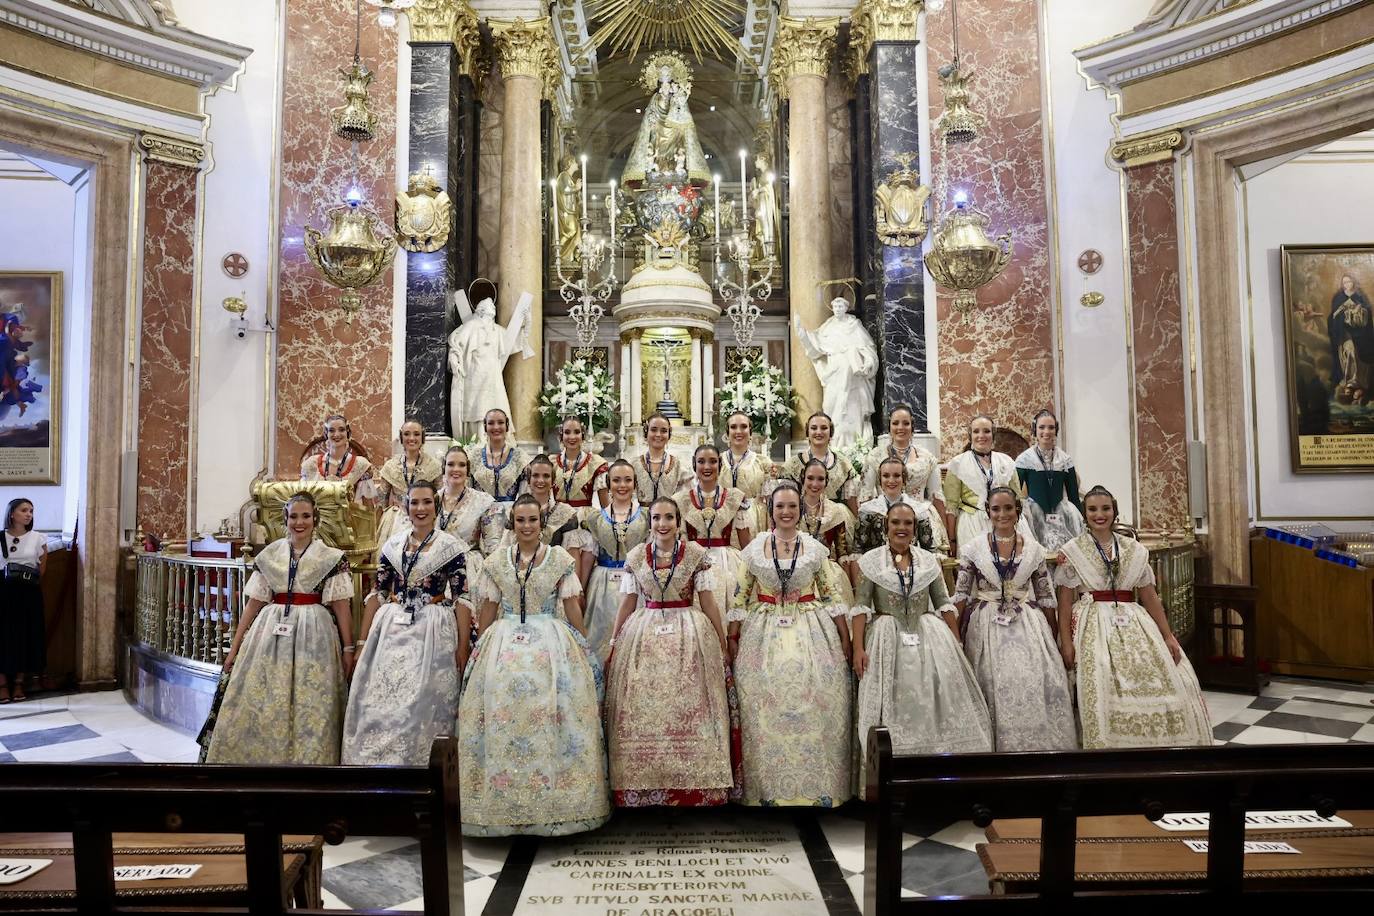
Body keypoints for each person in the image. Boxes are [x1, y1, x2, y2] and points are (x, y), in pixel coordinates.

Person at [459, 494, 609, 836]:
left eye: (533, 520)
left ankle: (558, 805)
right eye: (521, 520)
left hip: (550, 642)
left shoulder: (558, 560)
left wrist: (583, 648)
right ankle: (502, 804)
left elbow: (571, 607)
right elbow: (486, 612)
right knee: (502, 714)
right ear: (513, 523)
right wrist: (480, 647)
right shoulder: (496, 561)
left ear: (542, 524)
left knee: (553, 714)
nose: (527, 526)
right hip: (504, 641)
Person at [1056, 486, 1211, 749]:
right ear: (1085, 513)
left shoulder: (1134, 549)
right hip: (1093, 624)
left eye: (1105, 508)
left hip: (1134, 622)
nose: (1100, 514)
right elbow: (1065, 602)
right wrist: (1066, 642)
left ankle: (1154, 743)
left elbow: (1150, 596)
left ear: (1114, 510)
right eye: (1093, 509)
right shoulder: (1073, 550)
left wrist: (1167, 635)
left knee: (1157, 678)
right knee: (1102, 679)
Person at [605, 497, 737, 806]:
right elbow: (627, 602)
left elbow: (707, 600)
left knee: (689, 702)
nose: (662, 524)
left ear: (678, 522)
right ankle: (642, 785)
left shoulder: (695, 555)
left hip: (689, 633)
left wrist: (720, 641)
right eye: (656, 518)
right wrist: (613, 644)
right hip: (644, 632)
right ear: (649, 522)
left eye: (668, 518)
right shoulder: (637, 555)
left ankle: (696, 786)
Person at [852, 503, 992, 795]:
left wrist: (956, 642)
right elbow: (861, 607)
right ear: (886, 526)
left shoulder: (928, 561)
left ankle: (936, 778)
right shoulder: (870, 561)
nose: (901, 528)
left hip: (929, 637)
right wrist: (857, 649)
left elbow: (943, 603)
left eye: (908, 523)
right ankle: (890, 783)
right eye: (895, 523)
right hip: (886, 638)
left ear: (915, 528)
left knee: (935, 703)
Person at [206, 493, 354, 764]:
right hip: (270, 633)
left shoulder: (331, 557)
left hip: (315, 635)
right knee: (265, 698)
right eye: (294, 516)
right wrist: (234, 649)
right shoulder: (270, 554)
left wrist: (348, 648)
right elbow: (253, 605)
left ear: (315, 518)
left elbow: (342, 607)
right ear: (285, 519)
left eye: (305, 516)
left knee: (311, 703)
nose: (300, 522)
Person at [729, 483, 852, 807]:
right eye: (780, 507)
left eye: (792, 507)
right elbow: (740, 596)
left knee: (818, 696)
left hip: (811, 627)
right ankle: (768, 791)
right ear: (771, 510)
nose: (786, 512)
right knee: (763, 702)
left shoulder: (813, 548)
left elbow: (832, 593)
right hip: (764, 629)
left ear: (800, 511)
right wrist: (732, 637)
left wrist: (844, 637)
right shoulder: (755, 548)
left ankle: (817, 789)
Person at [342, 481, 469, 766]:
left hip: (432, 627)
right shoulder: (392, 545)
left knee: (420, 701)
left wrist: (462, 647)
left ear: (435, 508)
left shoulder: (451, 547)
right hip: (391, 625)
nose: (420, 508)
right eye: (415, 502)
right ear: (406, 507)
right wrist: (362, 643)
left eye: (426, 502)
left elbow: (462, 599)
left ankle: (418, 765)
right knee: (378, 698)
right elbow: (378, 594)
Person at [953, 488, 1075, 751]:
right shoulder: (973, 548)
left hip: (1027, 621)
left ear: (1017, 511)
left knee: (1033, 681)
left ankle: (1036, 748)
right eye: (996, 509)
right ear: (988, 512)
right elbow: (961, 594)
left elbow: (1045, 596)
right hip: (986, 622)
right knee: (990, 682)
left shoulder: (1033, 549)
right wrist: (955, 637)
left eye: (1008, 508)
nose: (1002, 514)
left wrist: (1053, 637)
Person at [578, 460, 649, 665]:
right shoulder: (595, 519)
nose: (622, 485)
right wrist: (581, 590)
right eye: (616, 480)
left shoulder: (646, 516)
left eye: (628, 480)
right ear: (608, 484)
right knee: (600, 638)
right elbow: (589, 556)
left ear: (635, 484)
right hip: (602, 585)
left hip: (636, 584)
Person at [861, 405, 948, 553]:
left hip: (921, 518)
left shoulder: (926, 457)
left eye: (906, 423)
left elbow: (937, 496)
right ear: (889, 427)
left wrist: (947, 535)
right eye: (895, 423)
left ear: (912, 427)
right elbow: (865, 495)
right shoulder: (875, 456)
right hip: (884, 518)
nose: (900, 427)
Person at [793, 298, 879, 446]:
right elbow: (815, 348)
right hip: (834, 373)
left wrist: (869, 361)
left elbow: (868, 348)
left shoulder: (855, 325)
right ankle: (834, 444)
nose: (838, 309)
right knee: (830, 406)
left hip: (853, 376)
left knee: (851, 410)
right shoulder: (828, 327)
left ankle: (853, 445)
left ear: (846, 308)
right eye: (835, 306)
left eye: (840, 306)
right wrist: (802, 333)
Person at [942, 414, 1030, 554]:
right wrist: (952, 540)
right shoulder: (958, 463)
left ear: (993, 435)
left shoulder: (1006, 461)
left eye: (986, 431)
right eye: (976, 431)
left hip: (1005, 520)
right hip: (972, 523)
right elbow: (951, 507)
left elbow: (1017, 499)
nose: (981, 435)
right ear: (970, 435)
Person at [448, 295, 532, 440]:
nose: (492, 309)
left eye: (493, 308)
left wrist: (528, 322)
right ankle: (478, 439)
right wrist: (454, 359)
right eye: (489, 308)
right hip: (475, 372)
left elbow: (515, 342)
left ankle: (496, 438)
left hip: (493, 374)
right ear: (480, 311)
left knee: (495, 402)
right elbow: (456, 344)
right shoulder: (471, 326)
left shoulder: (497, 330)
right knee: (478, 405)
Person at [675, 444, 753, 601]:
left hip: (727, 563)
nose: (707, 467)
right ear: (694, 464)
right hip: (692, 562)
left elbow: (746, 543)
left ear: (720, 464)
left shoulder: (734, 497)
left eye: (712, 461)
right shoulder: (680, 499)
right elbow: (678, 541)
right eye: (701, 461)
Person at [1014, 410, 1084, 552]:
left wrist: (1085, 522)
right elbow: (1014, 494)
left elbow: (1074, 497)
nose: (1047, 431)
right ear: (1034, 430)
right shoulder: (1024, 459)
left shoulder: (1065, 460)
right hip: (1034, 515)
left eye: (1051, 427)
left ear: (1056, 430)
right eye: (1042, 427)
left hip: (1062, 514)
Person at [0, 498, 46, 704]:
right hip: (3, 592)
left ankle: (19, 682)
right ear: (12, 514)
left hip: (28, 593)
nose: (29, 514)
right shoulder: (1, 537)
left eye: (31, 511)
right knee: (3, 638)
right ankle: (2, 684)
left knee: (25, 636)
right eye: (24, 510)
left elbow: (42, 569)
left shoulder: (38, 538)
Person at [375, 419, 444, 556]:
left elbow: (440, 497)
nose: (411, 438)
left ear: (422, 437)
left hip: (424, 517)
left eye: (416, 434)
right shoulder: (390, 466)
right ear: (401, 437)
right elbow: (381, 500)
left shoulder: (434, 465)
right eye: (407, 434)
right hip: (396, 519)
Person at [799, 458, 859, 601]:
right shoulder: (792, 508)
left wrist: (851, 590)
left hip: (828, 570)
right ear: (803, 478)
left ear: (826, 482)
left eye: (820, 479)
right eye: (810, 478)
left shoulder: (835, 511)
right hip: (798, 570)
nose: (815, 484)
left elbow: (842, 551)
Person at [780, 412, 860, 515]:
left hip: (836, 520)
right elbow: (785, 499)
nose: (818, 432)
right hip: (801, 519)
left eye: (823, 428)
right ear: (807, 433)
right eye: (813, 428)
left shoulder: (843, 463)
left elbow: (851, 501)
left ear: (830, 433)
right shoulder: (792, 465)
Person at [855, 457, 936, 554]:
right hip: (876, 566)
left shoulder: (919, 511)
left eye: (896, 475)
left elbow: (929, 550)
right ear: (880, 480)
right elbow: (858, 551)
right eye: (886, 476)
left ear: (904, 479)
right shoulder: (867, 511)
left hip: (911, 566)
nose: (891, 480)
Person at [300, 413, 376, 506]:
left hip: (349, 519)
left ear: (347, 433)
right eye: (331, 430)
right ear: (326, 434)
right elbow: (302, 500)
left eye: (341, 430)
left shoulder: (361, 465)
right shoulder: (311, 464)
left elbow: (368, 506)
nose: (336, 434)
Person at [720, 411, 771, 533]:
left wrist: (771, 529)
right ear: (727, 433)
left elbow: (770, 501)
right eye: (733, 427)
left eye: (743, 426)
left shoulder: (762, 463)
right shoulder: (717, 461)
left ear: (750, 432)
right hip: (723, 518)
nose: (738, 431)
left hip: (754, 520)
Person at [467, 408, 529, 505]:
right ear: (485, 427)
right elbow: (467, 492)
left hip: (510, 515)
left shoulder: (519, 456)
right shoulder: (473, 456)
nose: (496, 427)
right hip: (479, 514)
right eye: (491, 423)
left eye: (500, 422)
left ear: (507, 426)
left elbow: (525, 495)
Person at [1330, 273, 1373, 404]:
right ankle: (1349, 381)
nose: (1346, 285)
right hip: (1345, 334)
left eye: (1349, 282)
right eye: (1344, 282)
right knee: (1350, 352)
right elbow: (1333, 317)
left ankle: (1358, 383)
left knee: (1359, 354)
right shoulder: (1339, 298)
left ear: (1353, 282)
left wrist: (1360, 310)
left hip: (1361, 334)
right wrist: (1343, 313)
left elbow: (1368, 315)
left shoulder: (1360, 297)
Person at [634, 412, 692, 506]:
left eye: (663, 431)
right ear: (646, 432)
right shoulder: (634, 465)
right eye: (653, 430)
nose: (658, 434)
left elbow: (685, 499)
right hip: (641, 517)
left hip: (669, 517)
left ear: (669, 434)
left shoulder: (679, 466)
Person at [552, 416, 610, 509]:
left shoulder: (595, 464)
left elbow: (606, 506)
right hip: (558, 520)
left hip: (584, 520)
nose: (572, 437)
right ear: (561, 435)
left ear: (583, 434)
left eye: (577, 432)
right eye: (567, 432)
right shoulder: (552, 463)